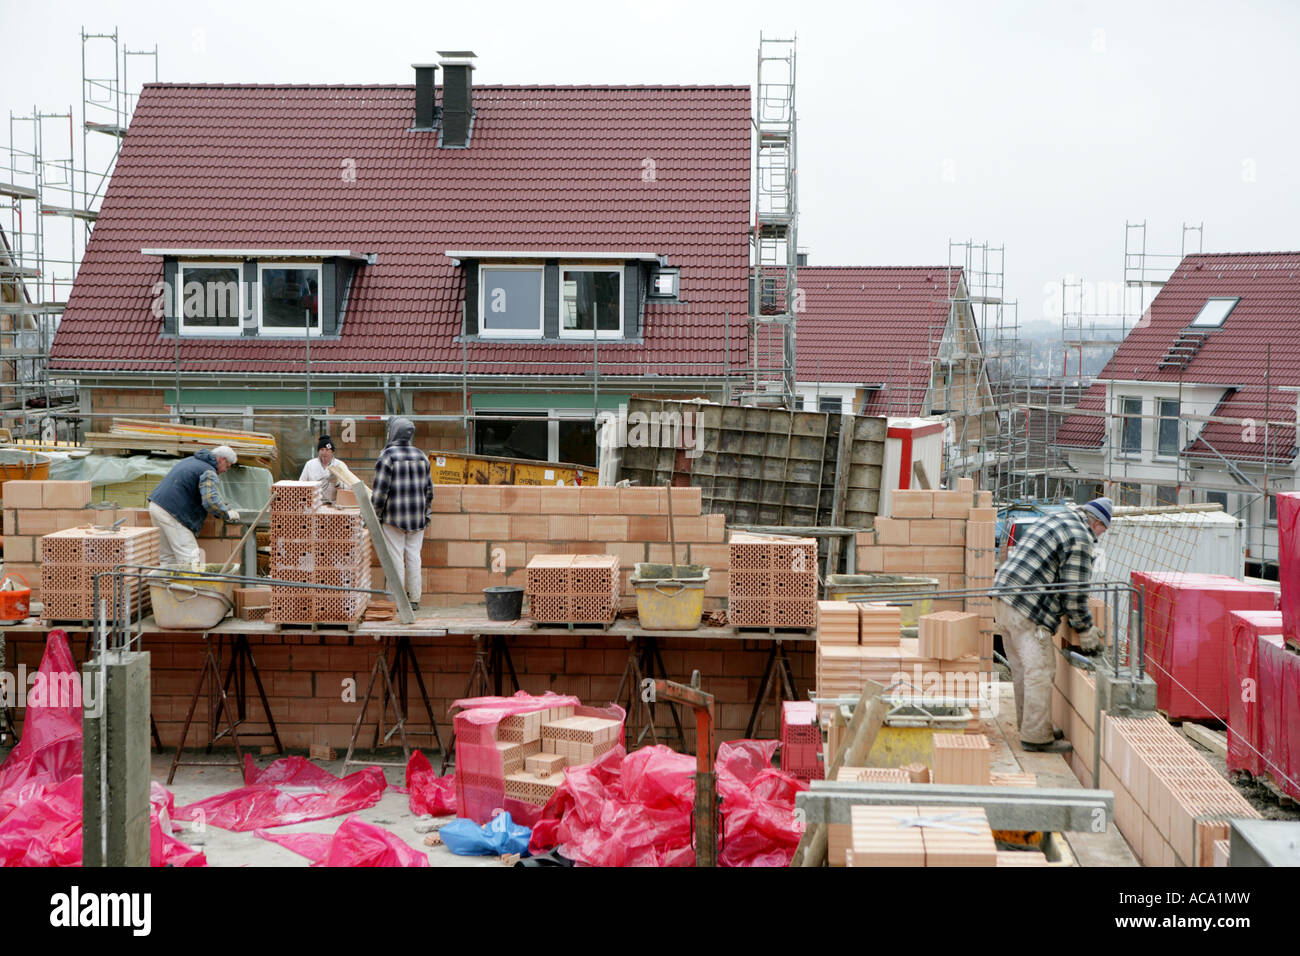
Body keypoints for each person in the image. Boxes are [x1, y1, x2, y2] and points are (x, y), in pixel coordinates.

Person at [992, 497, 1112, 754]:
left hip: (1003, 599)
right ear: (1098, 522)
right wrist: (1086, 629)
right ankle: (1036, 738)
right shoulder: (1081, 536)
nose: (1101, 536)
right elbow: (1075, 590)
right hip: (1027, 608)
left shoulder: (1056, 518)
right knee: (1041, 670)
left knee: (1022, 670)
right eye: (1104, 529)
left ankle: (1032, 726)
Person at [370, 417, 432, 610]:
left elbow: (380, 492)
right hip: (417, 518)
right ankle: (414, 599)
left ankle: (397, 600)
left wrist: (375, 516)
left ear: (393, 432)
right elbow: (429, 491)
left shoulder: (387, 456)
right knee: (414, 556)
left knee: (395, 557)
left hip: (393, 517)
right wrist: (426, 514)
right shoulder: (422, 456)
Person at [147, 446, 241, 568]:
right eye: (227, 467)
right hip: (173, 513)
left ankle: (166, 586)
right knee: (190, 557)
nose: (224, 471)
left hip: (157, 506)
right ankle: (190, 587)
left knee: (168, 557)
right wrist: (226, 514)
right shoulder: (209, 471)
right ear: (222, 459)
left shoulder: (192, 460)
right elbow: (210, 501)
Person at [299, 434, 344, 504]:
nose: (324, 452)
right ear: (318, 451)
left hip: (334, 505)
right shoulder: (310, 464)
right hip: (314, 504)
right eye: (322, 449)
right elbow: (301, 484)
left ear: (332, 452)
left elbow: (348, 489)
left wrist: (337, 483)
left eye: (327, 450)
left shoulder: (339, 465)